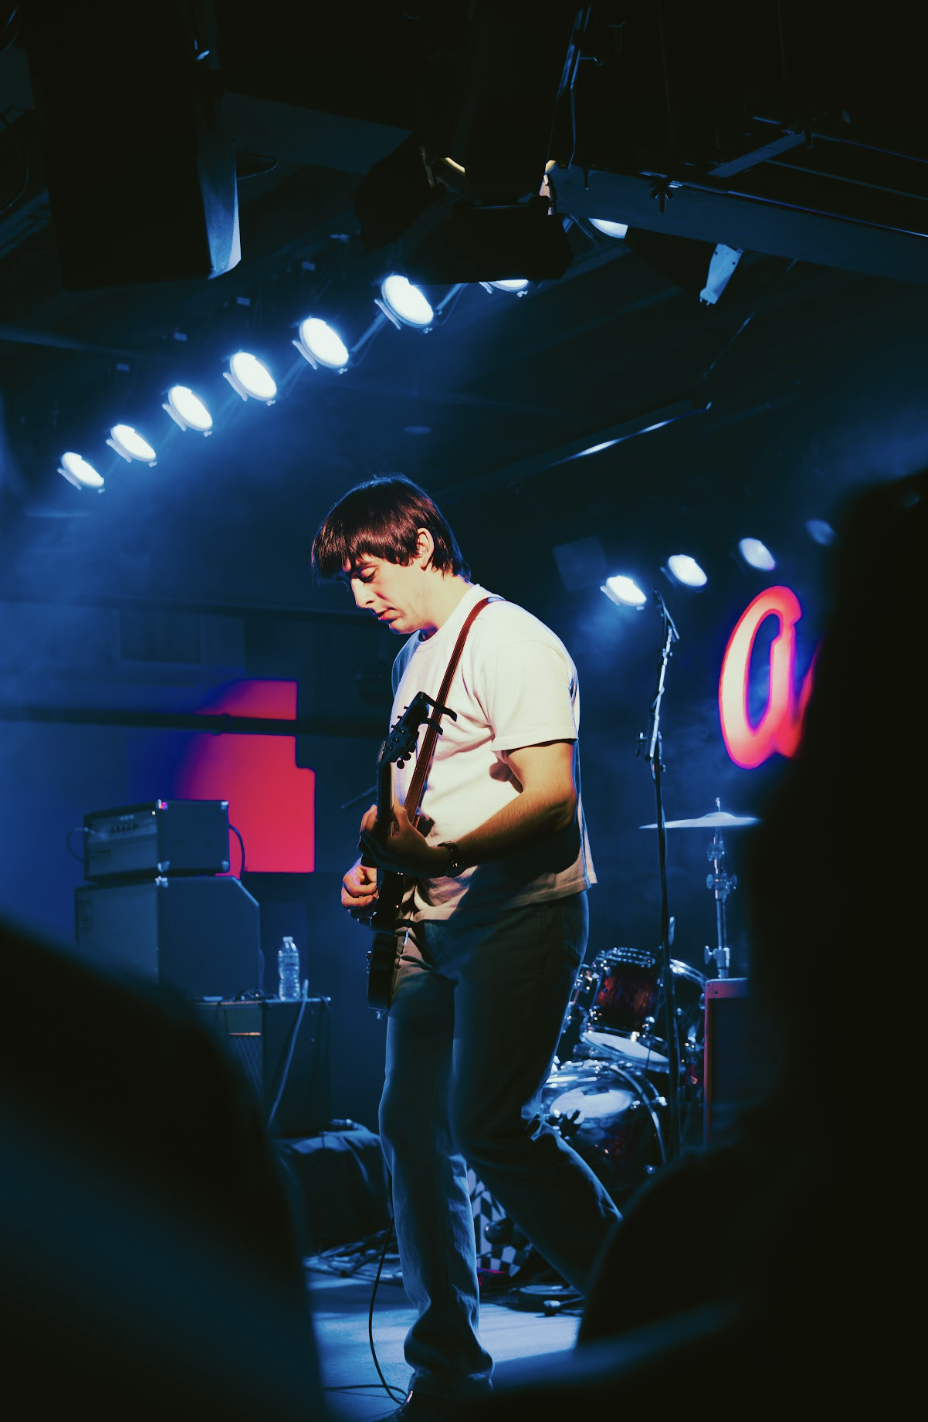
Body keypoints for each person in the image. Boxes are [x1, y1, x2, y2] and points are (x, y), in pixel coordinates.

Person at [311, 475, 622, 1419]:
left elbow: (552, 797)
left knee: (492, 1126)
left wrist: (439, 855)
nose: (359, 596)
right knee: (410, 1127)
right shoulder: (415, 655)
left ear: (421, 545)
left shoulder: (513, 641)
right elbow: (422, 795)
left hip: (519, 915)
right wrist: (377, 864)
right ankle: (447, 1370)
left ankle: (647, 1308)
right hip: (430, 923)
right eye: (350, 580)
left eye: (368, 572)